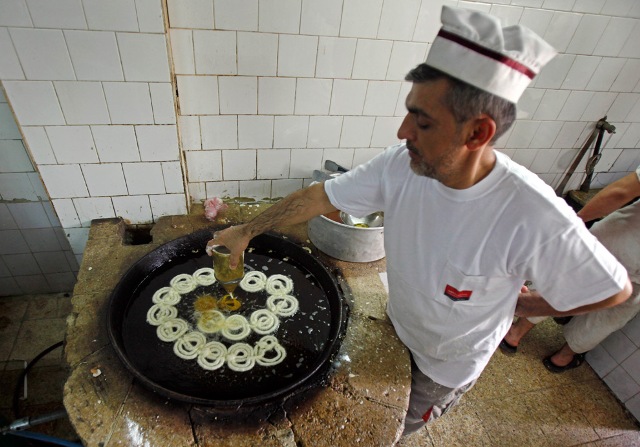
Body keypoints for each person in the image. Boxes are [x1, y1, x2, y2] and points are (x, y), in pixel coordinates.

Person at [206, 6, 632, 436]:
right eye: (410, 111)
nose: (402, 131)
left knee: (387, 430)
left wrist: (526, 306)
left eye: (423, 122)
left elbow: (613, 290)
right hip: (398, 321)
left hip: (443, 366)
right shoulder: (402, 165)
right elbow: (321, 194)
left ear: (477, 134)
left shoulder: (532, 214)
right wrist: (245, 231)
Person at [500, 168, 640, 372]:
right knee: (615, 313)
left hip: (622, 237)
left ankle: (515, 334)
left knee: (568, 280)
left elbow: (621, 192)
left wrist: (578, 219)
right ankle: (563, 357)